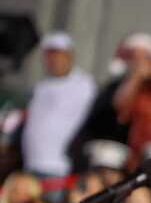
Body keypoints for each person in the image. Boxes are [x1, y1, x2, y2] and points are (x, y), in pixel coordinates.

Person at [19, 32, 96, 187]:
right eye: (48, 55)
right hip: (31, 165)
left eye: (57, 54)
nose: (52, 60)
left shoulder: (83, 84)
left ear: (69, 56)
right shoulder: (42, 86)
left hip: (59, 169)